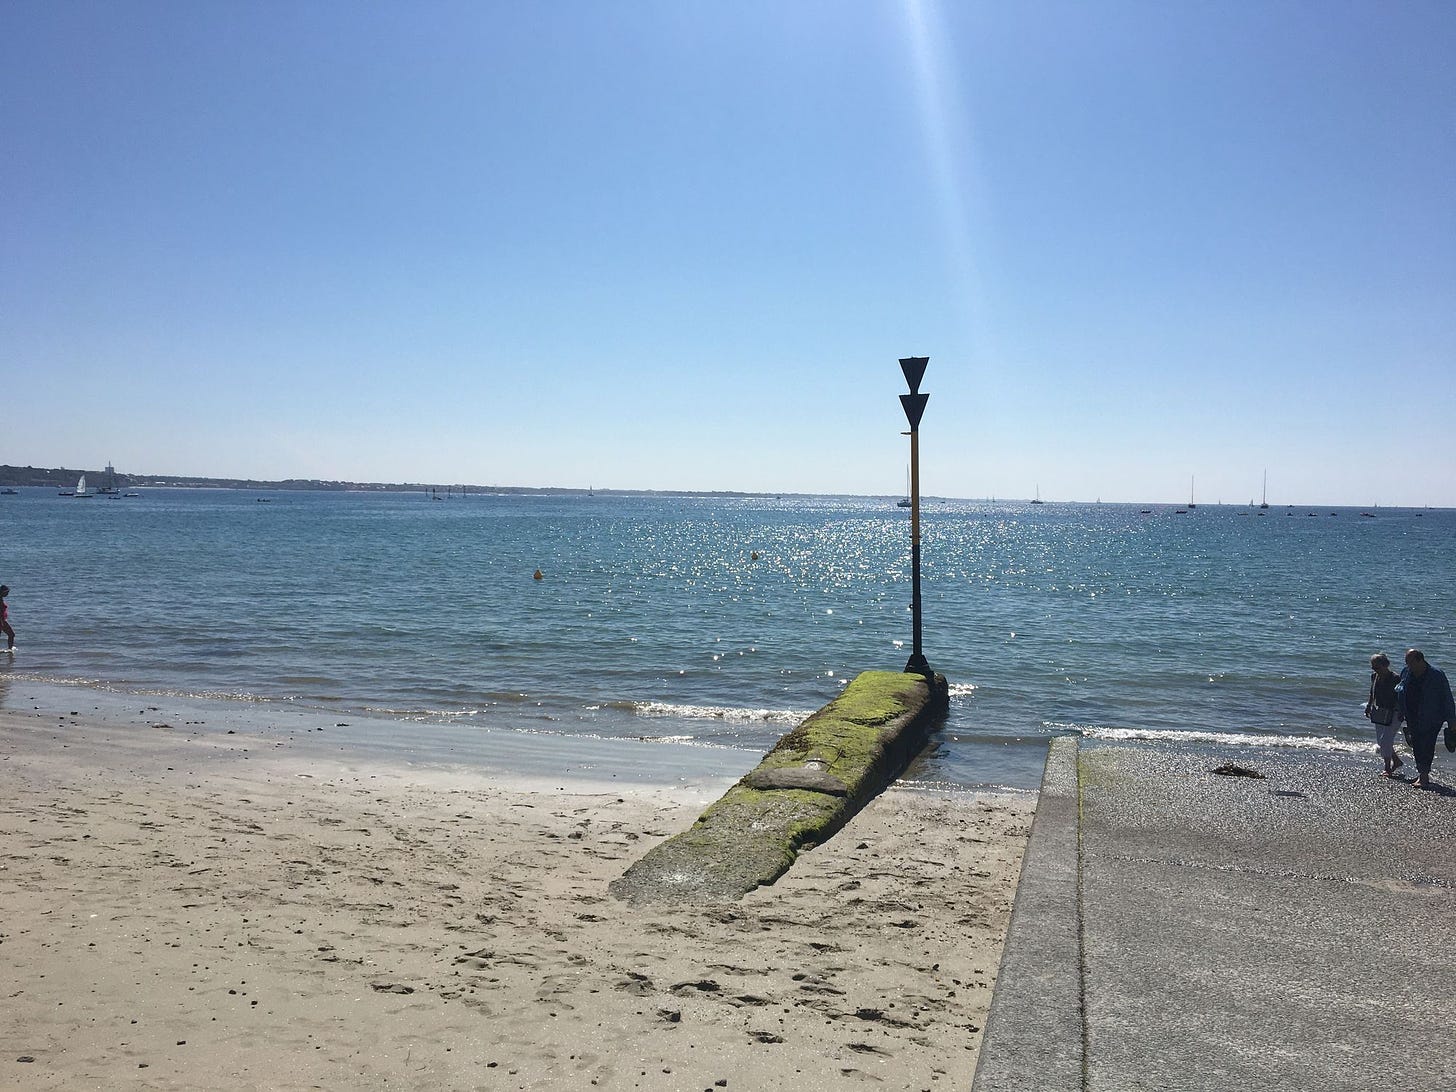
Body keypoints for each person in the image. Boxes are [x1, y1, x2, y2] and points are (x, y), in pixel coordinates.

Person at [1394, 649, 1456, 790]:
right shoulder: (1406, 672)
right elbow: (1401, 690)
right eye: (1407, 662)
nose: (1408, 665)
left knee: (1427, 744)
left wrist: (1452, 720)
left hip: (1432, 717)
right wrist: (1401, 710)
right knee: (1416, 744)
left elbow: (1447, 697)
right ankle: (1422, 773)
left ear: (1420, 660)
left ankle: (1424, 777)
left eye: (1410, 662)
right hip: (1412, 715)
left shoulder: (1436, 675)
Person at [1365, 653, 1403, 777]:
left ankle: (1387, 768)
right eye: (1373, 668)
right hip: (1380, 711)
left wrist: (1402, 712)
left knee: (1385, 740)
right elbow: (1372, 692)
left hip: (1395, 712)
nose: (1376, 670)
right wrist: (1369, 706)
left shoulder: (1396, 678)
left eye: (1378, 667)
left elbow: (1402, 696)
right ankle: (1396, 761)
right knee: (1381, 741)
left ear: (1386, 665)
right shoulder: (1374, 676)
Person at [0, 585, 13, 652]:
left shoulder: (1, 599)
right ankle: (10, 650)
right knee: (11, 634)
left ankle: (10, 649)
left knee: (11, 634)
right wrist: (2, 622)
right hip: (2, 621)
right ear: (2, 592)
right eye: (7, 592)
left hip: (2, 621)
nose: (7, 594)